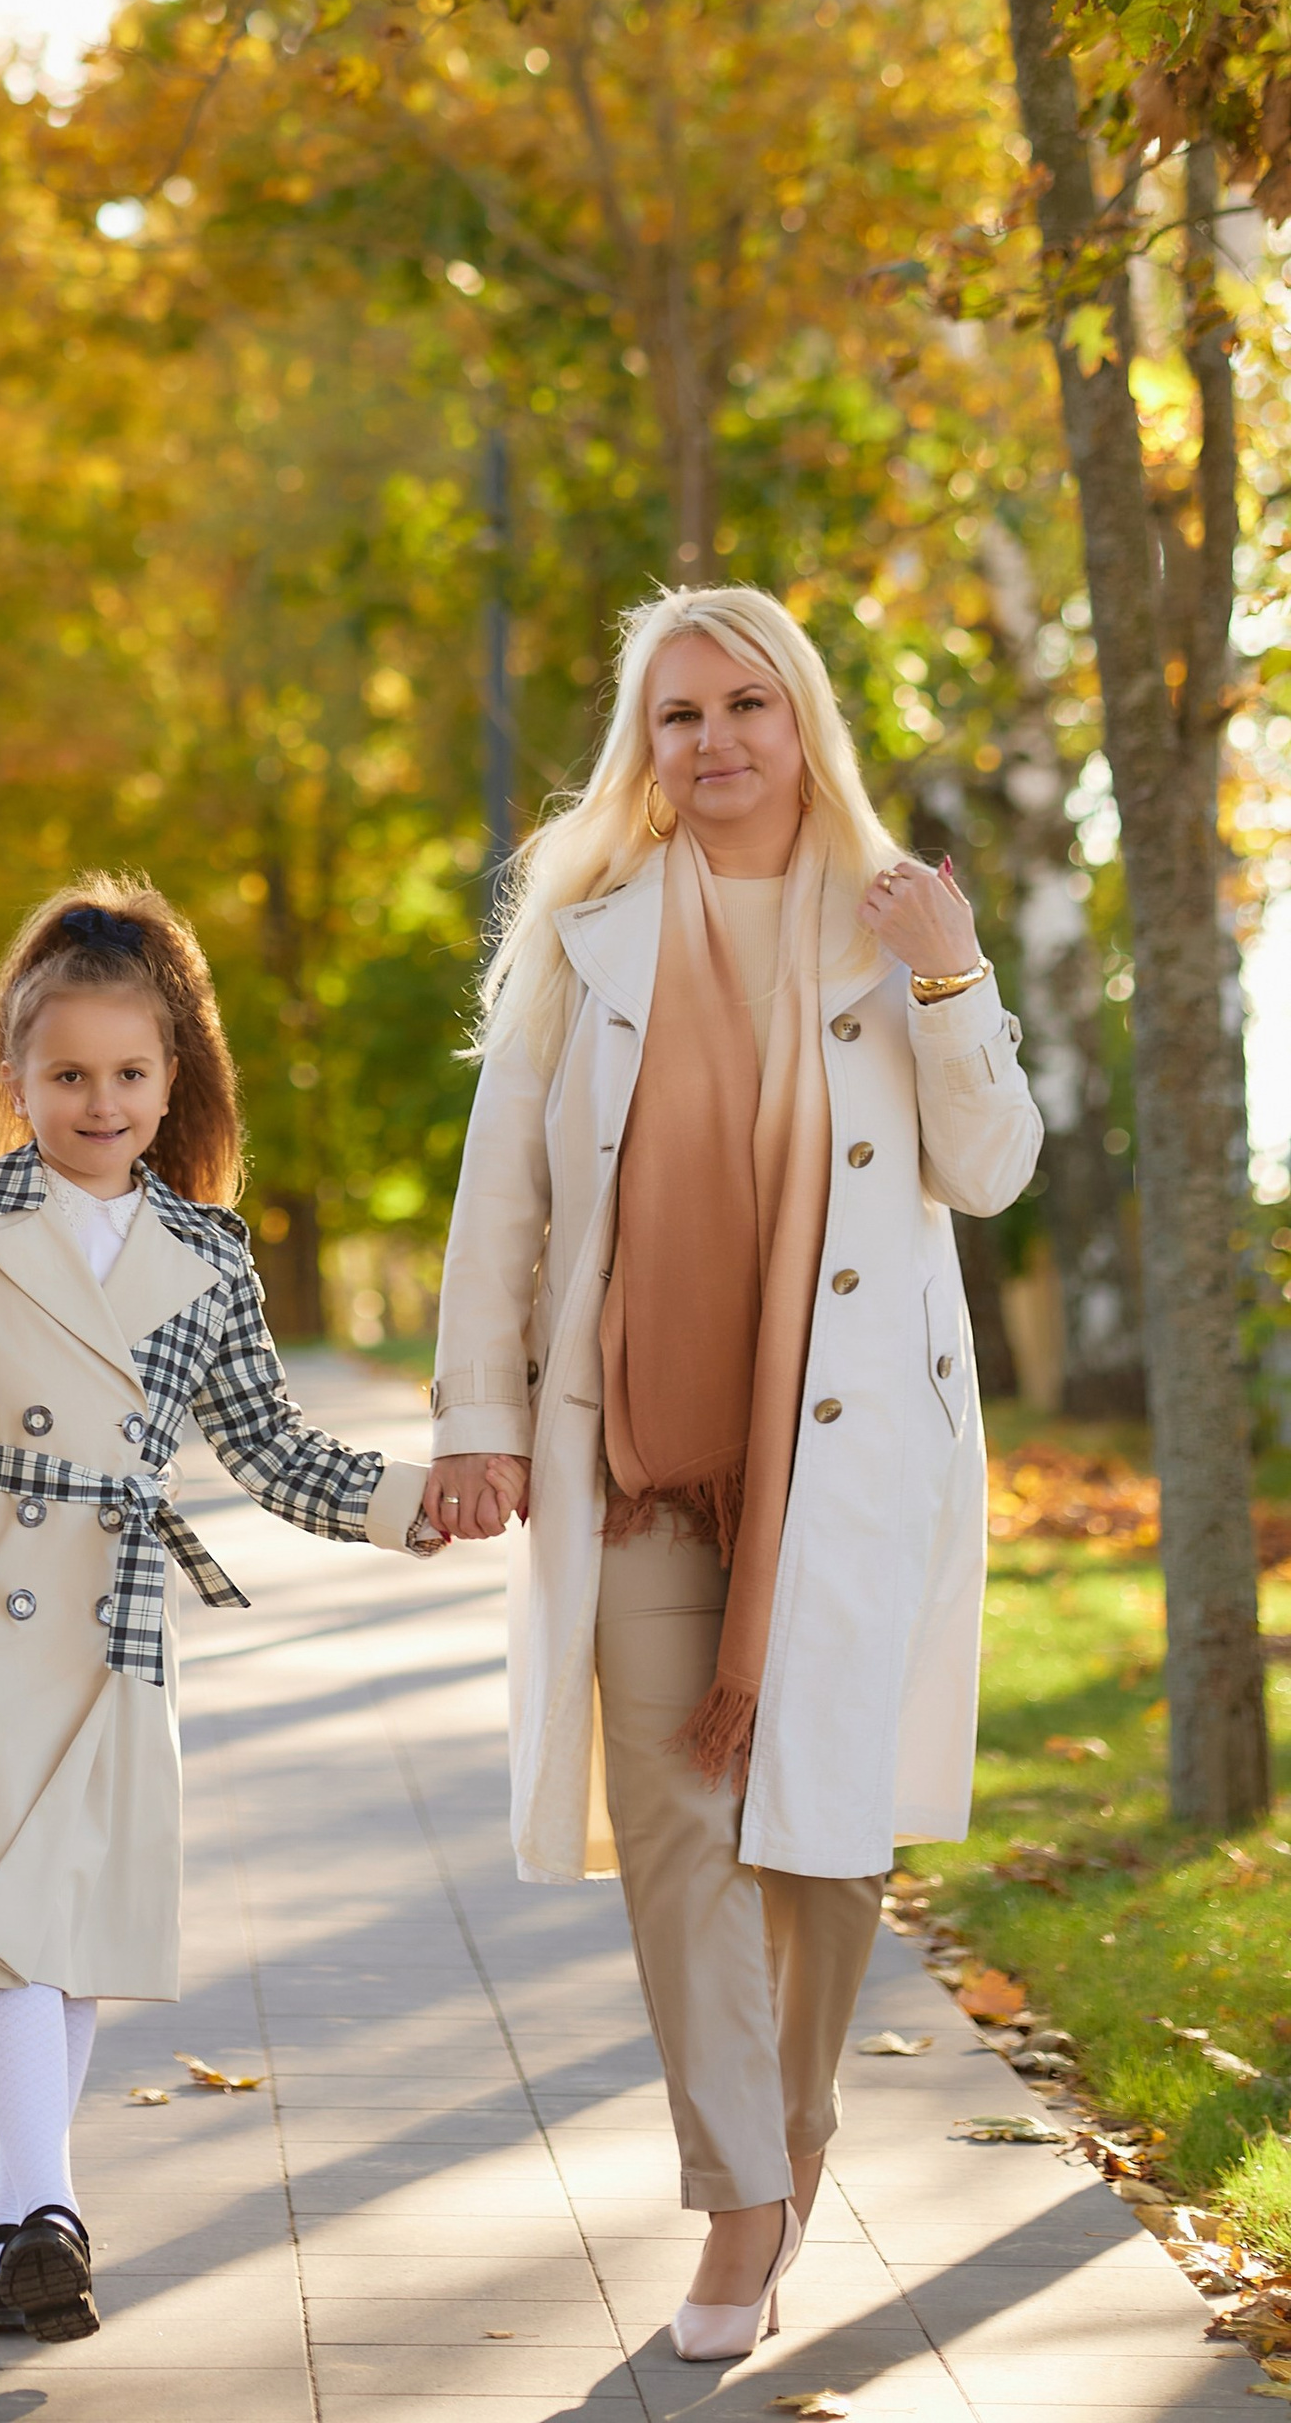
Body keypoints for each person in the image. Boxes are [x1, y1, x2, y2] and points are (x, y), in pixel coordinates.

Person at [431, 586, 1040, 2363]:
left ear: (805, 726)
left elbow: (990, 1170)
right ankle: (743, 2203)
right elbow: (504, 1206)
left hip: (845, 1458)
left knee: (826, 1843)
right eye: (678, 716)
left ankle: (797, 2133)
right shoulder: (586, 934)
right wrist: (479, 1415)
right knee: (682, 1836)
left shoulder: (893, 925)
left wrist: (954, 971)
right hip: (636, 1456)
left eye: (745, 708)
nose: (713, 745)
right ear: (646, 746)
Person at [0, 882, 436, 2348]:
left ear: (173, 1079)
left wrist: (414, 1503)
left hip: (116, 1625)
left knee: (71, 1914)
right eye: (67, 1075)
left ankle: (20, 2220)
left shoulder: (211, 1255)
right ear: (15, 1077)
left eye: (129, 1074)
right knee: (16, 1919)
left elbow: (272, 1448)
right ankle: (46, 2206)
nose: (99, 1102)